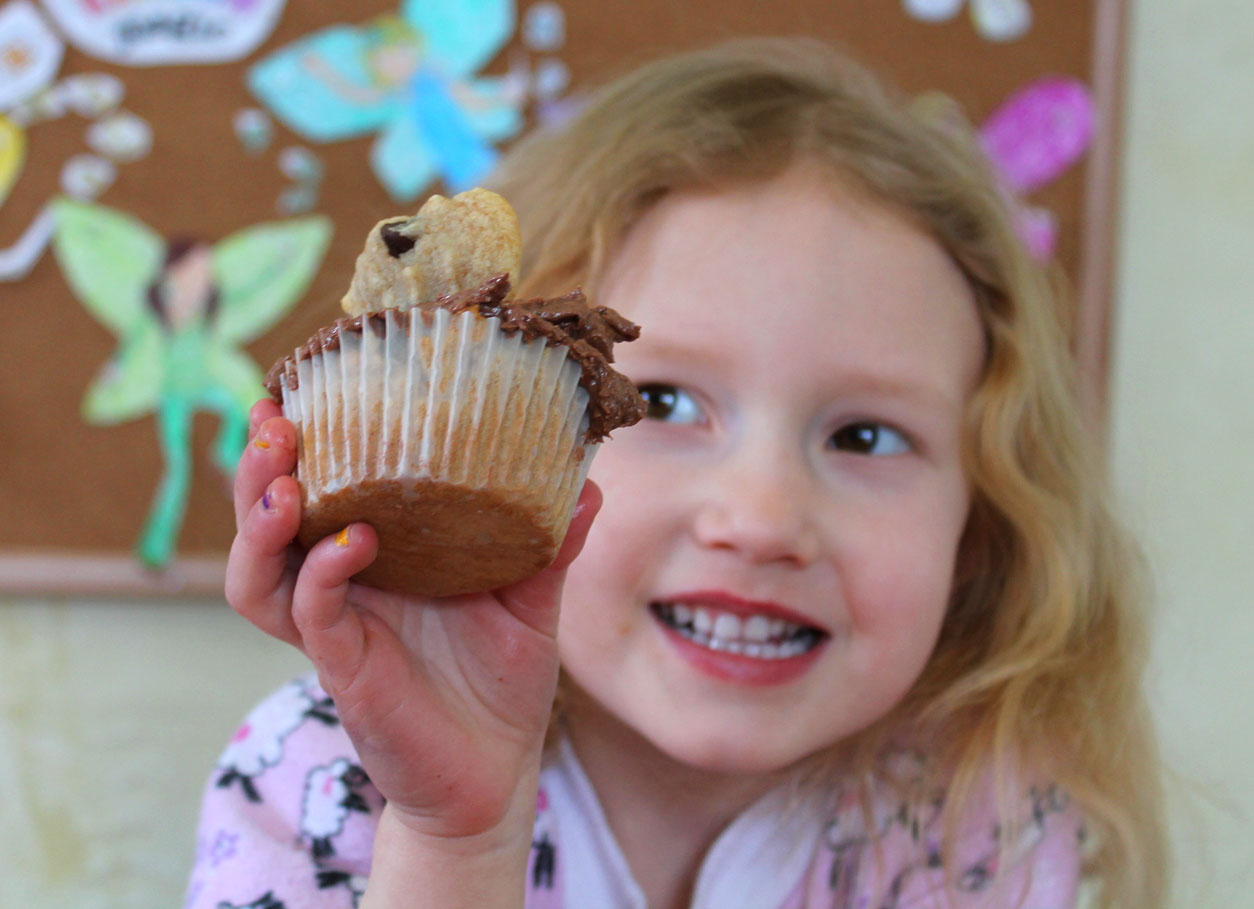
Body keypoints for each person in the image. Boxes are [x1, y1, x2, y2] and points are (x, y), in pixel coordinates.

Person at [186, 37, 1166, 909]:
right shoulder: (323, 777)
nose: (762, 517)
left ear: (983, 522)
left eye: (865, 437)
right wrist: (453, 842)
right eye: (662, 403)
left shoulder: (978, 823)